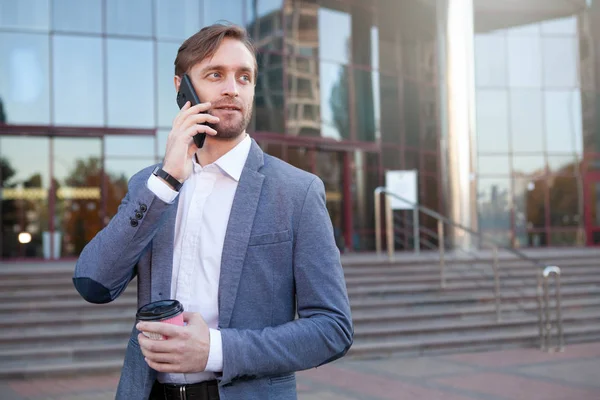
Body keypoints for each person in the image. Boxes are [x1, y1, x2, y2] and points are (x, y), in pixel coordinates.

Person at [73, 23, 353, 400]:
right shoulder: (150, 186)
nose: (231, 88)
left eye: (244, 77)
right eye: (215, 74)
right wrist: (166, 181)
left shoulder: (297, 192)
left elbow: (333, 328)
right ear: (181, 88)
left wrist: (216, 350)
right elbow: (93, 282)